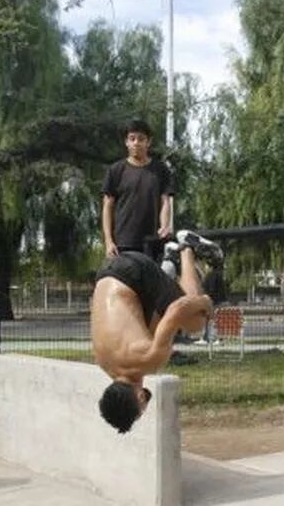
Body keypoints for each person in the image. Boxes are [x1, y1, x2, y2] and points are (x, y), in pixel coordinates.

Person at [92, 231, 221, 433]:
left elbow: (177, 309)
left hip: (135, 273)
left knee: (195, 323)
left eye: (141, 410)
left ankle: (186, 247)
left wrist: (205, 304)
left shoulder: (149, 359)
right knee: (155, 330)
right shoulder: (104, 362)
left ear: (140, 399)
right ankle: (168, 260)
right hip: (108, 273)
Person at [101, 119, 174, 262]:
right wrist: (109, 242)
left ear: (148, 142)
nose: (136, 143)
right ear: (126, 142)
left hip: (153, 242)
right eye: (132, 139)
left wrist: (164, 227)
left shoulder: (160, 170)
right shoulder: (116, 170)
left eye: (141, 139)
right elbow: (107, 206)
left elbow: (165, 201)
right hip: (122, 244)